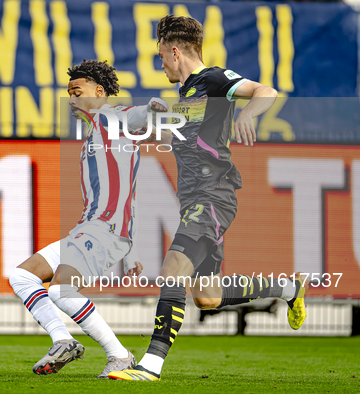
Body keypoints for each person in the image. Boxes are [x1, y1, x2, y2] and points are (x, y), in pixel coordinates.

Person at [109, 15, 307, 381]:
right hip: (195, 199)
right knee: (207, 297)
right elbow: (175, 145)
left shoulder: (213, 80)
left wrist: (248, 113)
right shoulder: (185, 96)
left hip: (213, 196)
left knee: (171, 271)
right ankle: (288, 287)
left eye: (161, 56)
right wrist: (160, 120)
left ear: (173, 50)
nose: (161, 64)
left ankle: (150, 366)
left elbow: (266, 91)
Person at [8, 59, 167, 378]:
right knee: (22, 277)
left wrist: (151, 108)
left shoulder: (112, 118)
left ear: (99, 91)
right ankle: (63, 340)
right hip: (92, 231)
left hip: (105, 232)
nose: (72, 99)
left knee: (60, 290)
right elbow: (128, 194)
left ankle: (120, 356)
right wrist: (131, 246)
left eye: (77, 91)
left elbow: (133, 115)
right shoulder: (95, 133)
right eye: (69, 93)